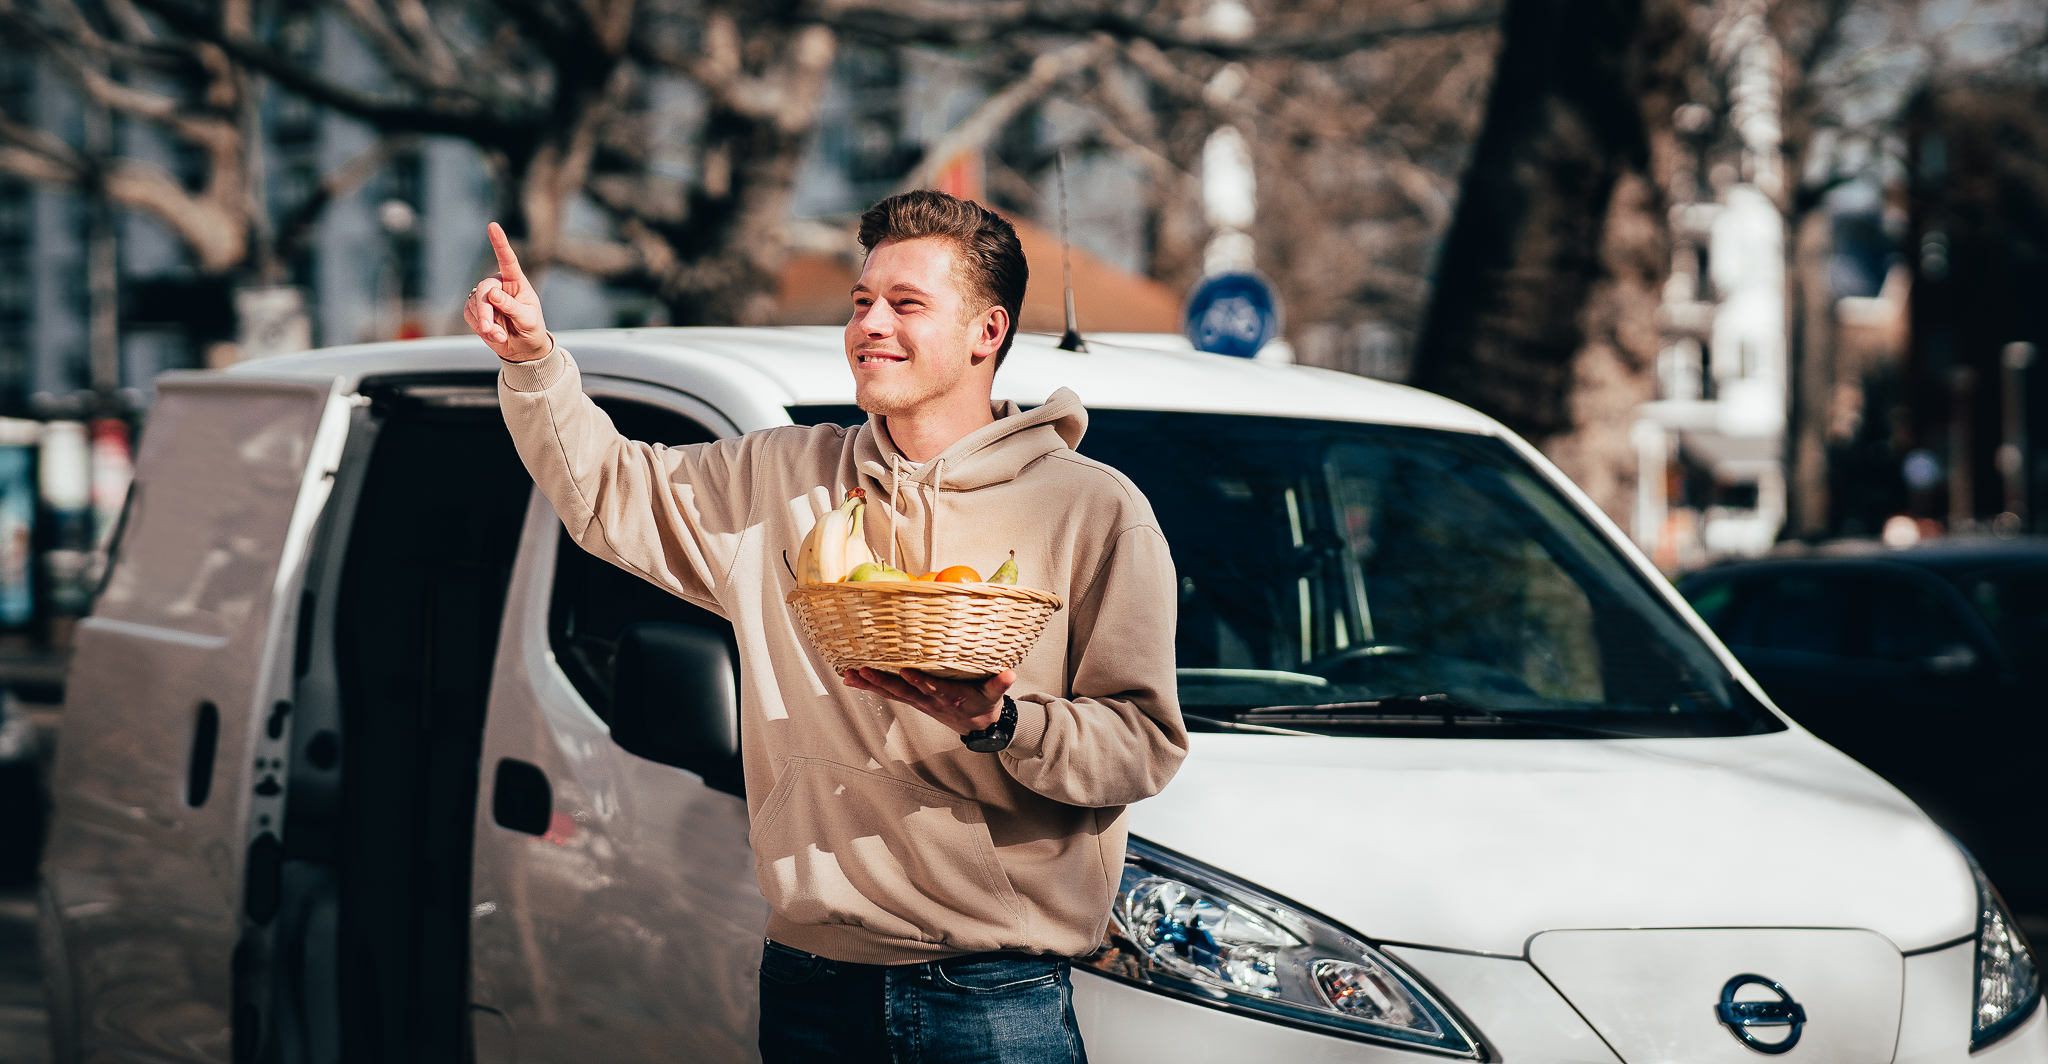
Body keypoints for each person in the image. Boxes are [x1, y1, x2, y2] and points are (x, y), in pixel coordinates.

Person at [465, 189, 1187, 1063]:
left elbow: (1142, 744)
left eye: (905, 304)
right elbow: (610, 492)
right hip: (807, 977)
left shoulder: (1091, 510)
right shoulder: (783, 475)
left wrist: (1002, 723)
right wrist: (536, 361)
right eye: (861, 302)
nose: (869, 324)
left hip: (992, 999)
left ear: (985, 333)